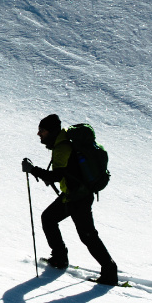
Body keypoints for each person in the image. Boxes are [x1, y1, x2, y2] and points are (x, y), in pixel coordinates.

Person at [21, 114, 119, 286]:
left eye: (41, 131)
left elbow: (57, 176)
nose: (39, 134)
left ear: (50, 131)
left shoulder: (62, 146)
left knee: (88, 235)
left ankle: (110, 272)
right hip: (73, 195)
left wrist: (32, 170)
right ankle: (59, 258)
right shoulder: (63, 141)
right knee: (49, 218)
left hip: (78, 198)